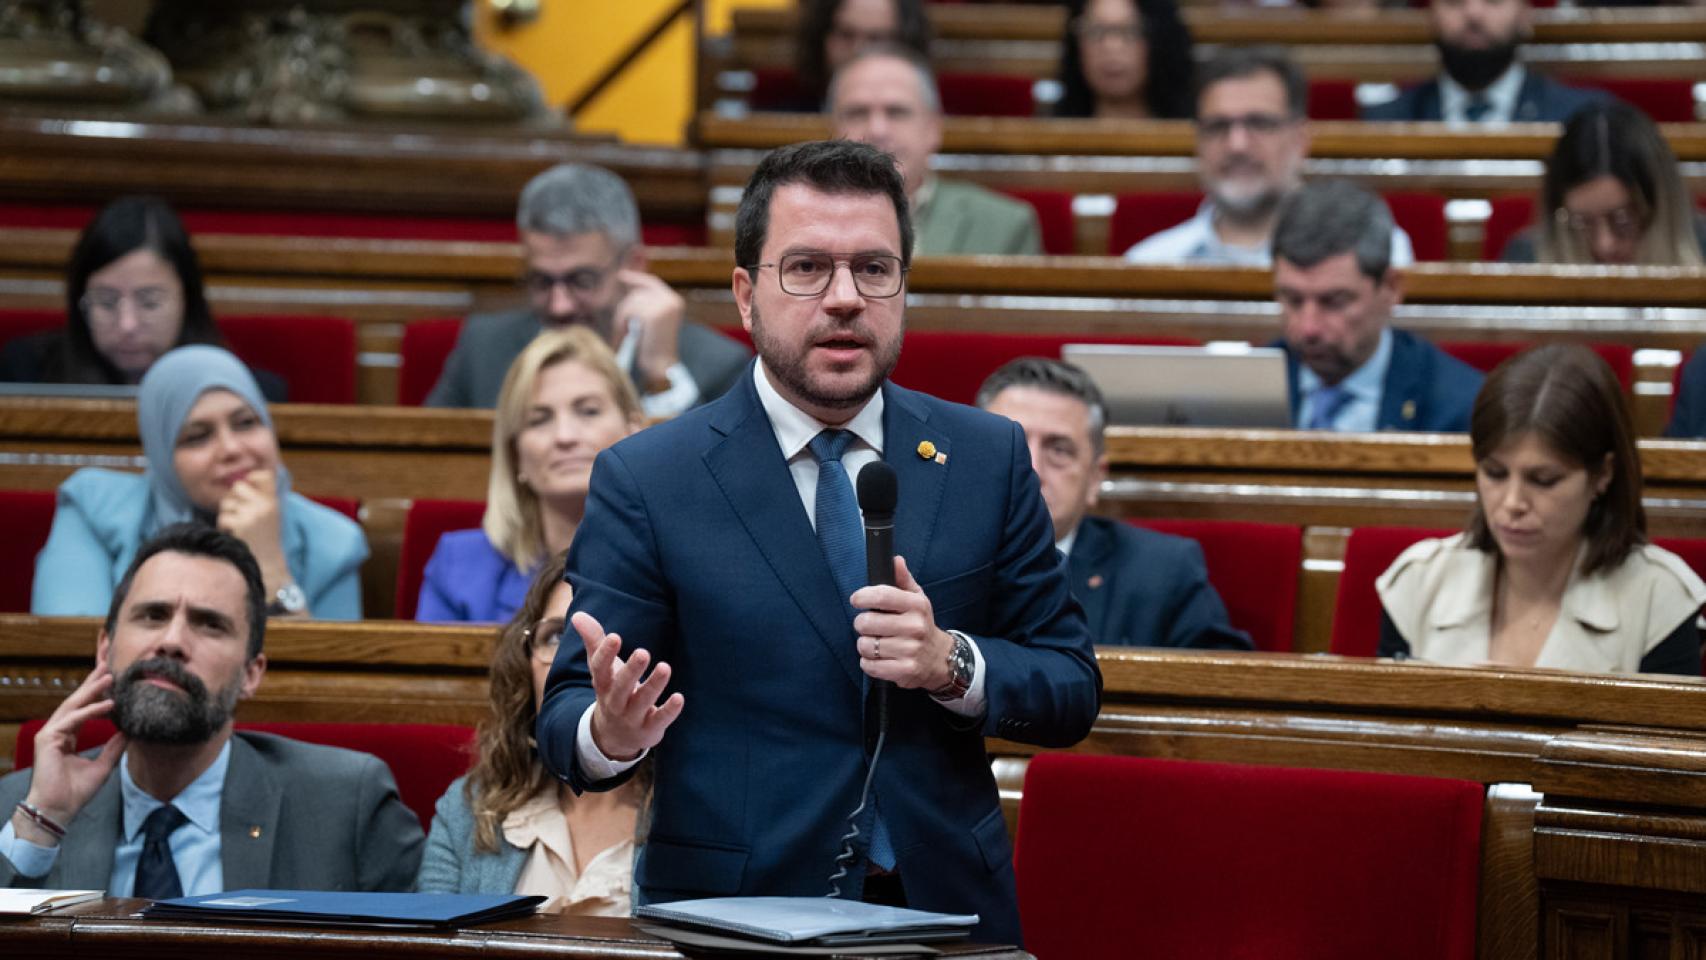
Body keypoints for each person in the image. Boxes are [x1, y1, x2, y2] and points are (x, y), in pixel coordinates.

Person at [536, 140, 1100, 947]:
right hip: (734, 918)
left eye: (874, 269)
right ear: (746, 295)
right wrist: (611, 735)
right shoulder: (651, 477)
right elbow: (562, 720)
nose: (844, 298)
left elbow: (1070, 686)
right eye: (806, 268)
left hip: (945, 909)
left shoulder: (987, 456)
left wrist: (950, 662)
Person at [1, 523, 422, 891]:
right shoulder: (22, 807)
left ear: (251, 673)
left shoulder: (345, 805)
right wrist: (43, 823)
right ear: (104, 649)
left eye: (209, 624)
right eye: (153, 615)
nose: (172, 642)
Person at [1378, 345, 1705, 675]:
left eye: (1543, 480)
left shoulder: (1659, 598)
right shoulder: (1419, 582)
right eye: (1495, 473)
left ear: (1603, 474)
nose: (1512, 503)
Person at [33, 345, 367, 619]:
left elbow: (320, 674)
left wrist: (269, 566)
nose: (231, 449)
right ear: (162, 454)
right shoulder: (95, 510)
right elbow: (70, 651)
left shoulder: (332, 542)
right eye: (197, 437)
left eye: (246, 423)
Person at [417, 550, 648, 913]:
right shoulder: (469, 806)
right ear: (525, 662)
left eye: (607, 639)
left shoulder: (701, 815)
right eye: (557, 637)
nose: (579, 661)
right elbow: (430, 938)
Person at [425, 163, 750, 415]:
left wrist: (662, 378)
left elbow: (714, 478)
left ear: (633, 265)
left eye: (582, 281)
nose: (559, 306)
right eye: (542, 281)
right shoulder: (482, 348)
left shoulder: (716, 365)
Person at [976, 358, 1250, 650]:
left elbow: (1222, 674)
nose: (1032, 470)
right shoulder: (937, 553)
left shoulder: (1163, 571)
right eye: (1010, 444)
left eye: (1058, 450)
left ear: (1095, 478)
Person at [417, 327, 642, 623]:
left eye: (588, 411)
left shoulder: (678, 559)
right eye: (539, 420)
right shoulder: (460, 567)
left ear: (633, 431)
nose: (564, 436)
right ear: (515, 454)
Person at [1125, 47, 1414, 267]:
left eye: (1259, 123)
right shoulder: (1148, 263)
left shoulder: (1372, 250)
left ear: (1300, 139)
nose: (1237, 145)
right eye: (1218, 126)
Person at [0, 196, 285, 399]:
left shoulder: (248, 393)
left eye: (149, 302)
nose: (127, 325)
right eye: (106, 302)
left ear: (187, 299)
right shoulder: (26, 373)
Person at [1272, 180, 1483, 433]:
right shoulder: (1242, 389)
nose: (1309, 329)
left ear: (1391, 288)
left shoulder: (1458, 407)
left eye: (1334, 302)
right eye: (1293, 300)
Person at [830, 47, 1042, 256]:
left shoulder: (1004, 225)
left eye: (896, 112)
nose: (877, 130)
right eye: (857, 113)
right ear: (834, 128)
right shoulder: (808, 218)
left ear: (933, 128)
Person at [1503, 102, 1706, 266]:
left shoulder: (1702, 247)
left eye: (1622, 221)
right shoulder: (1528, 258)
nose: (1604, 245)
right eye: (1582, 223)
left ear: (1661, 206)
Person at [1360, 0, 1603, 123]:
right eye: (1454, 1)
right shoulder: (1386, 122)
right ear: (1431, 15)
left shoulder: (1581, 118)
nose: (1473, 13)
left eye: (1493, 0)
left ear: (1525, 14)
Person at [1052, 0, 1193, 120]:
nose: (1112, 46)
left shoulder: (1195, 133)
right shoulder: (1049, 135)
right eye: (1095, 31)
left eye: (1131, 30)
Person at [794, 0, 932, 112]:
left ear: (905, 44)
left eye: (876, 39)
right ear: (821, 38)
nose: (858, 50)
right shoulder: (788, 119)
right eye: (846, 35)